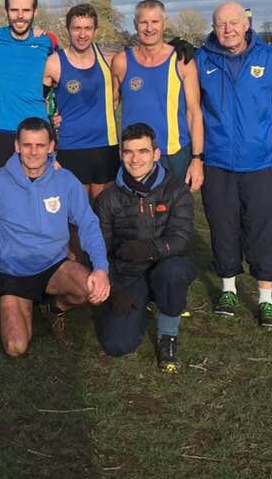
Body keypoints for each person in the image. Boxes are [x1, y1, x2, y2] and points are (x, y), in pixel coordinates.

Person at [0, 117, 110, 357]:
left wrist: (101, 268)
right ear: (17, 146)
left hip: (54, 266)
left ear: (51, 146)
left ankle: (56, 307)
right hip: (13, 272)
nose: (33, 152)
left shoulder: (65, 180)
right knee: (16, 347)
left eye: (40, 145)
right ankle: (20, 303)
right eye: (27, 145)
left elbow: (88, 223)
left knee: (91, 289)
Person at [195, 1, 272, 331]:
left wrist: (260, 133)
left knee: (263, 229)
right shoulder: (202, 59)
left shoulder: (270, 58)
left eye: (234, 22)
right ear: (214, 27)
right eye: (221, 24)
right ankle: (228, 290)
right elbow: (191, 106)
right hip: (217, 162)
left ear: (246, 24)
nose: (228, 29)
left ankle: (266, 299)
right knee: (223, 226)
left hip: (258, 164)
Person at [93, 123, 196, 373]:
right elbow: (99, 250)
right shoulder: (107, 198)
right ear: (121, 155)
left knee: (173, 273)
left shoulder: (176, 190)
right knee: (117, 345)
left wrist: (150, 249)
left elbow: (181, 238)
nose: (135, 159)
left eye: (143, 151)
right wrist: (114, 289)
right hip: (128, 273)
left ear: (156, 154)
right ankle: (142, 303)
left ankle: (168, 335)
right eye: (128, 152)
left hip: (165, 265)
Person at [111, 0, 204, 192]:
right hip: (135, 155)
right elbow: (109, 105)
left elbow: (194, 112)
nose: (149, 28)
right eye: (143, 22)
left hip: (174, 154)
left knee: (175, 210)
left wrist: (197, 158)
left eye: (155, 22)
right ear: (135, 24)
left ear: (164, 23)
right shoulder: (121, 61)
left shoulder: (182, 61)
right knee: (135, 210)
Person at [44, 3, 119, 200]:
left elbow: (142, 60)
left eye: (87, 28)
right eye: (77, 28)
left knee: (105, 210)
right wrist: (50, 118)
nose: (82, 34)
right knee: (76, 211)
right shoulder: (54, 62)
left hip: (105, 145)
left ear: (96, 30)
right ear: (67, 29)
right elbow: (37, 100)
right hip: (71, 146)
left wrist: (176, 47)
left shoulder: (109, 59)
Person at [0, 0, 56, 172]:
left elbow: (64, 74)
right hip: (1, 129)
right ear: (6, 11)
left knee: (38, 186)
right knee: (0, 186)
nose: (20, 15)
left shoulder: (45, 42)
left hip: (37, 131)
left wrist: (60, 113)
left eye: (26, 10)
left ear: (35, 12)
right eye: (14, 10)